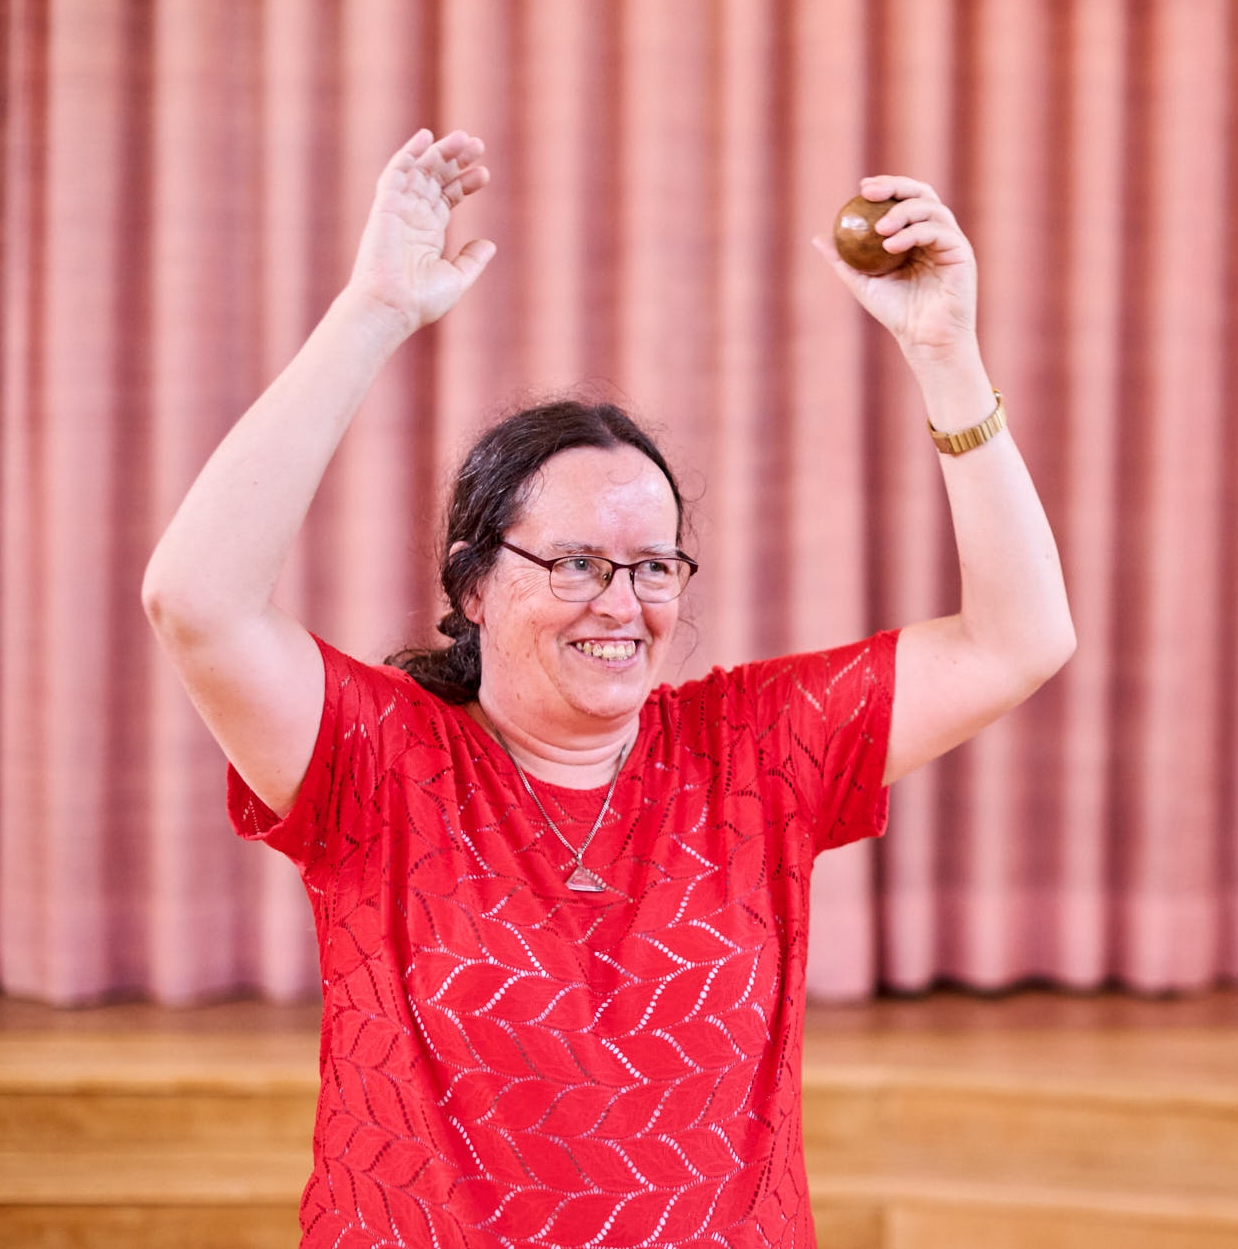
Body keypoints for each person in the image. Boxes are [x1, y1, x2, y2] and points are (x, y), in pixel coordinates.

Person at [141, 128, 1074, 1248]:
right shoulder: (380, 762)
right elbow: (194, 600)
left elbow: (1018, 640)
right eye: (577, 563)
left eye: (652, 566)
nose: (621, 603)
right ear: (473, 584)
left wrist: (947, 357)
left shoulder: (752, 750)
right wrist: (373, 312)